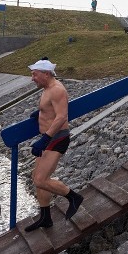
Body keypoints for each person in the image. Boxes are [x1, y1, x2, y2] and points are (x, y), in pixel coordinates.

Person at [23, 58, 84, 231]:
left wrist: (45, 139)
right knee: (37, 179)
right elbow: (51, 110)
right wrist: (41, 113)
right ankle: (45, 217)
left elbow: (61, 117)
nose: (32, 78)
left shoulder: (57, 90)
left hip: (56, 138)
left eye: (35, 74)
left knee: (41, 179)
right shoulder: (47, 88)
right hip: (48, 137)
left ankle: (73, 197)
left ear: (46, 73)